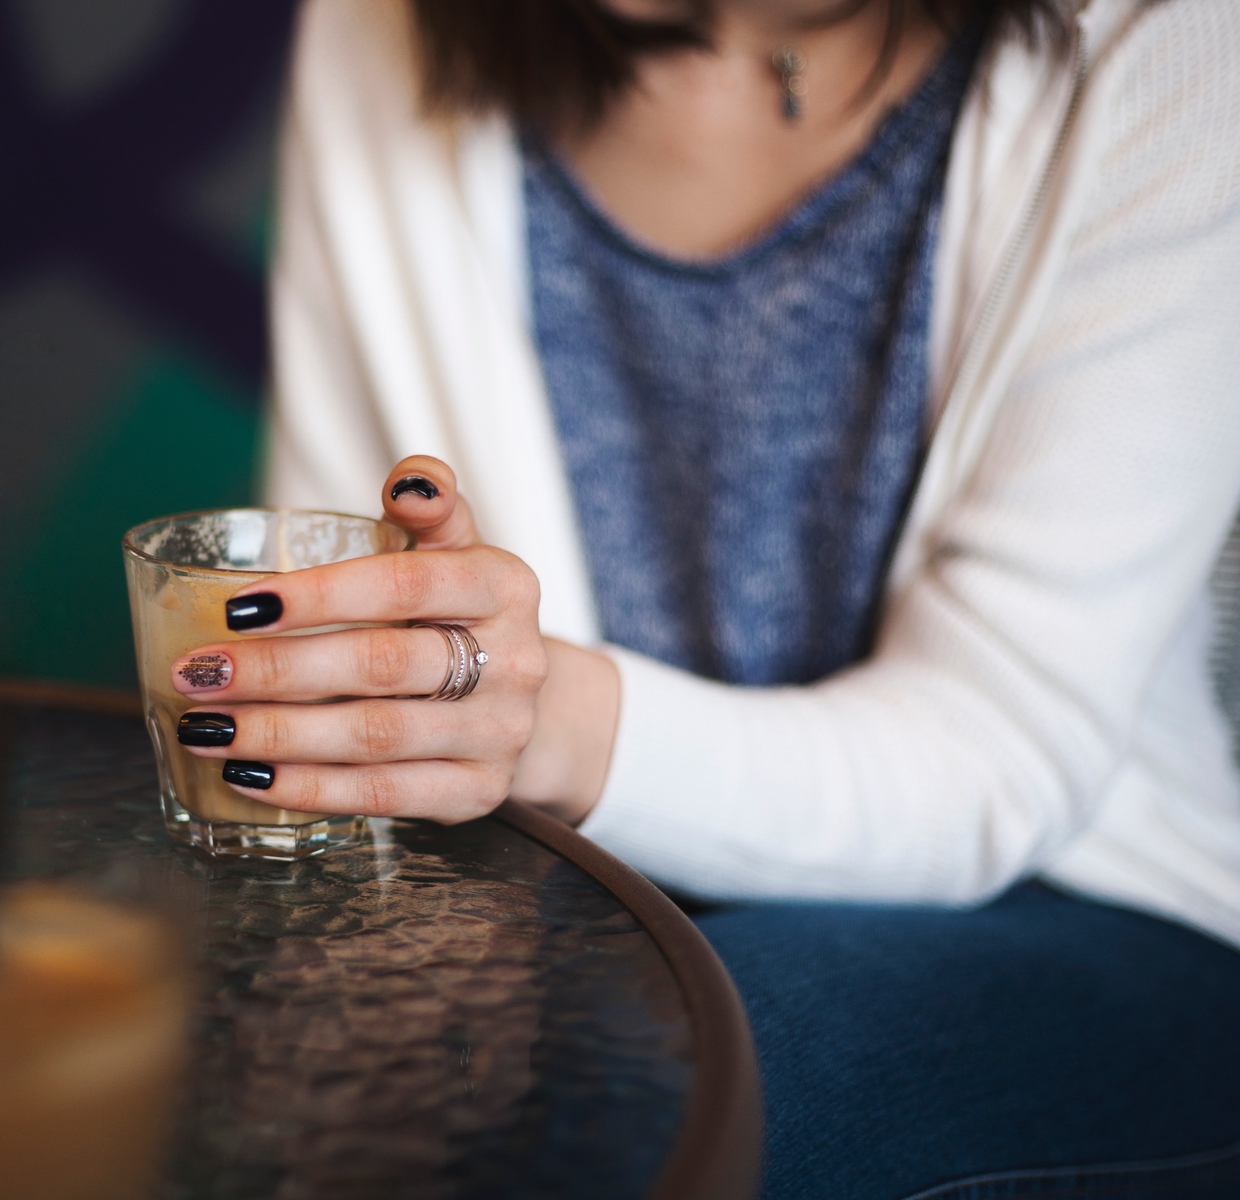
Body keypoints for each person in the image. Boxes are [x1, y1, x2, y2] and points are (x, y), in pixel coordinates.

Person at [168, 0, 1240, 1194]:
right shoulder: (384, 21)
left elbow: (1000, 755)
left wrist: (547, 725)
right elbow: (353, 574)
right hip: (561, 900)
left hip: (1079, 905)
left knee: (631, 1095)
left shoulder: (1178, 43)